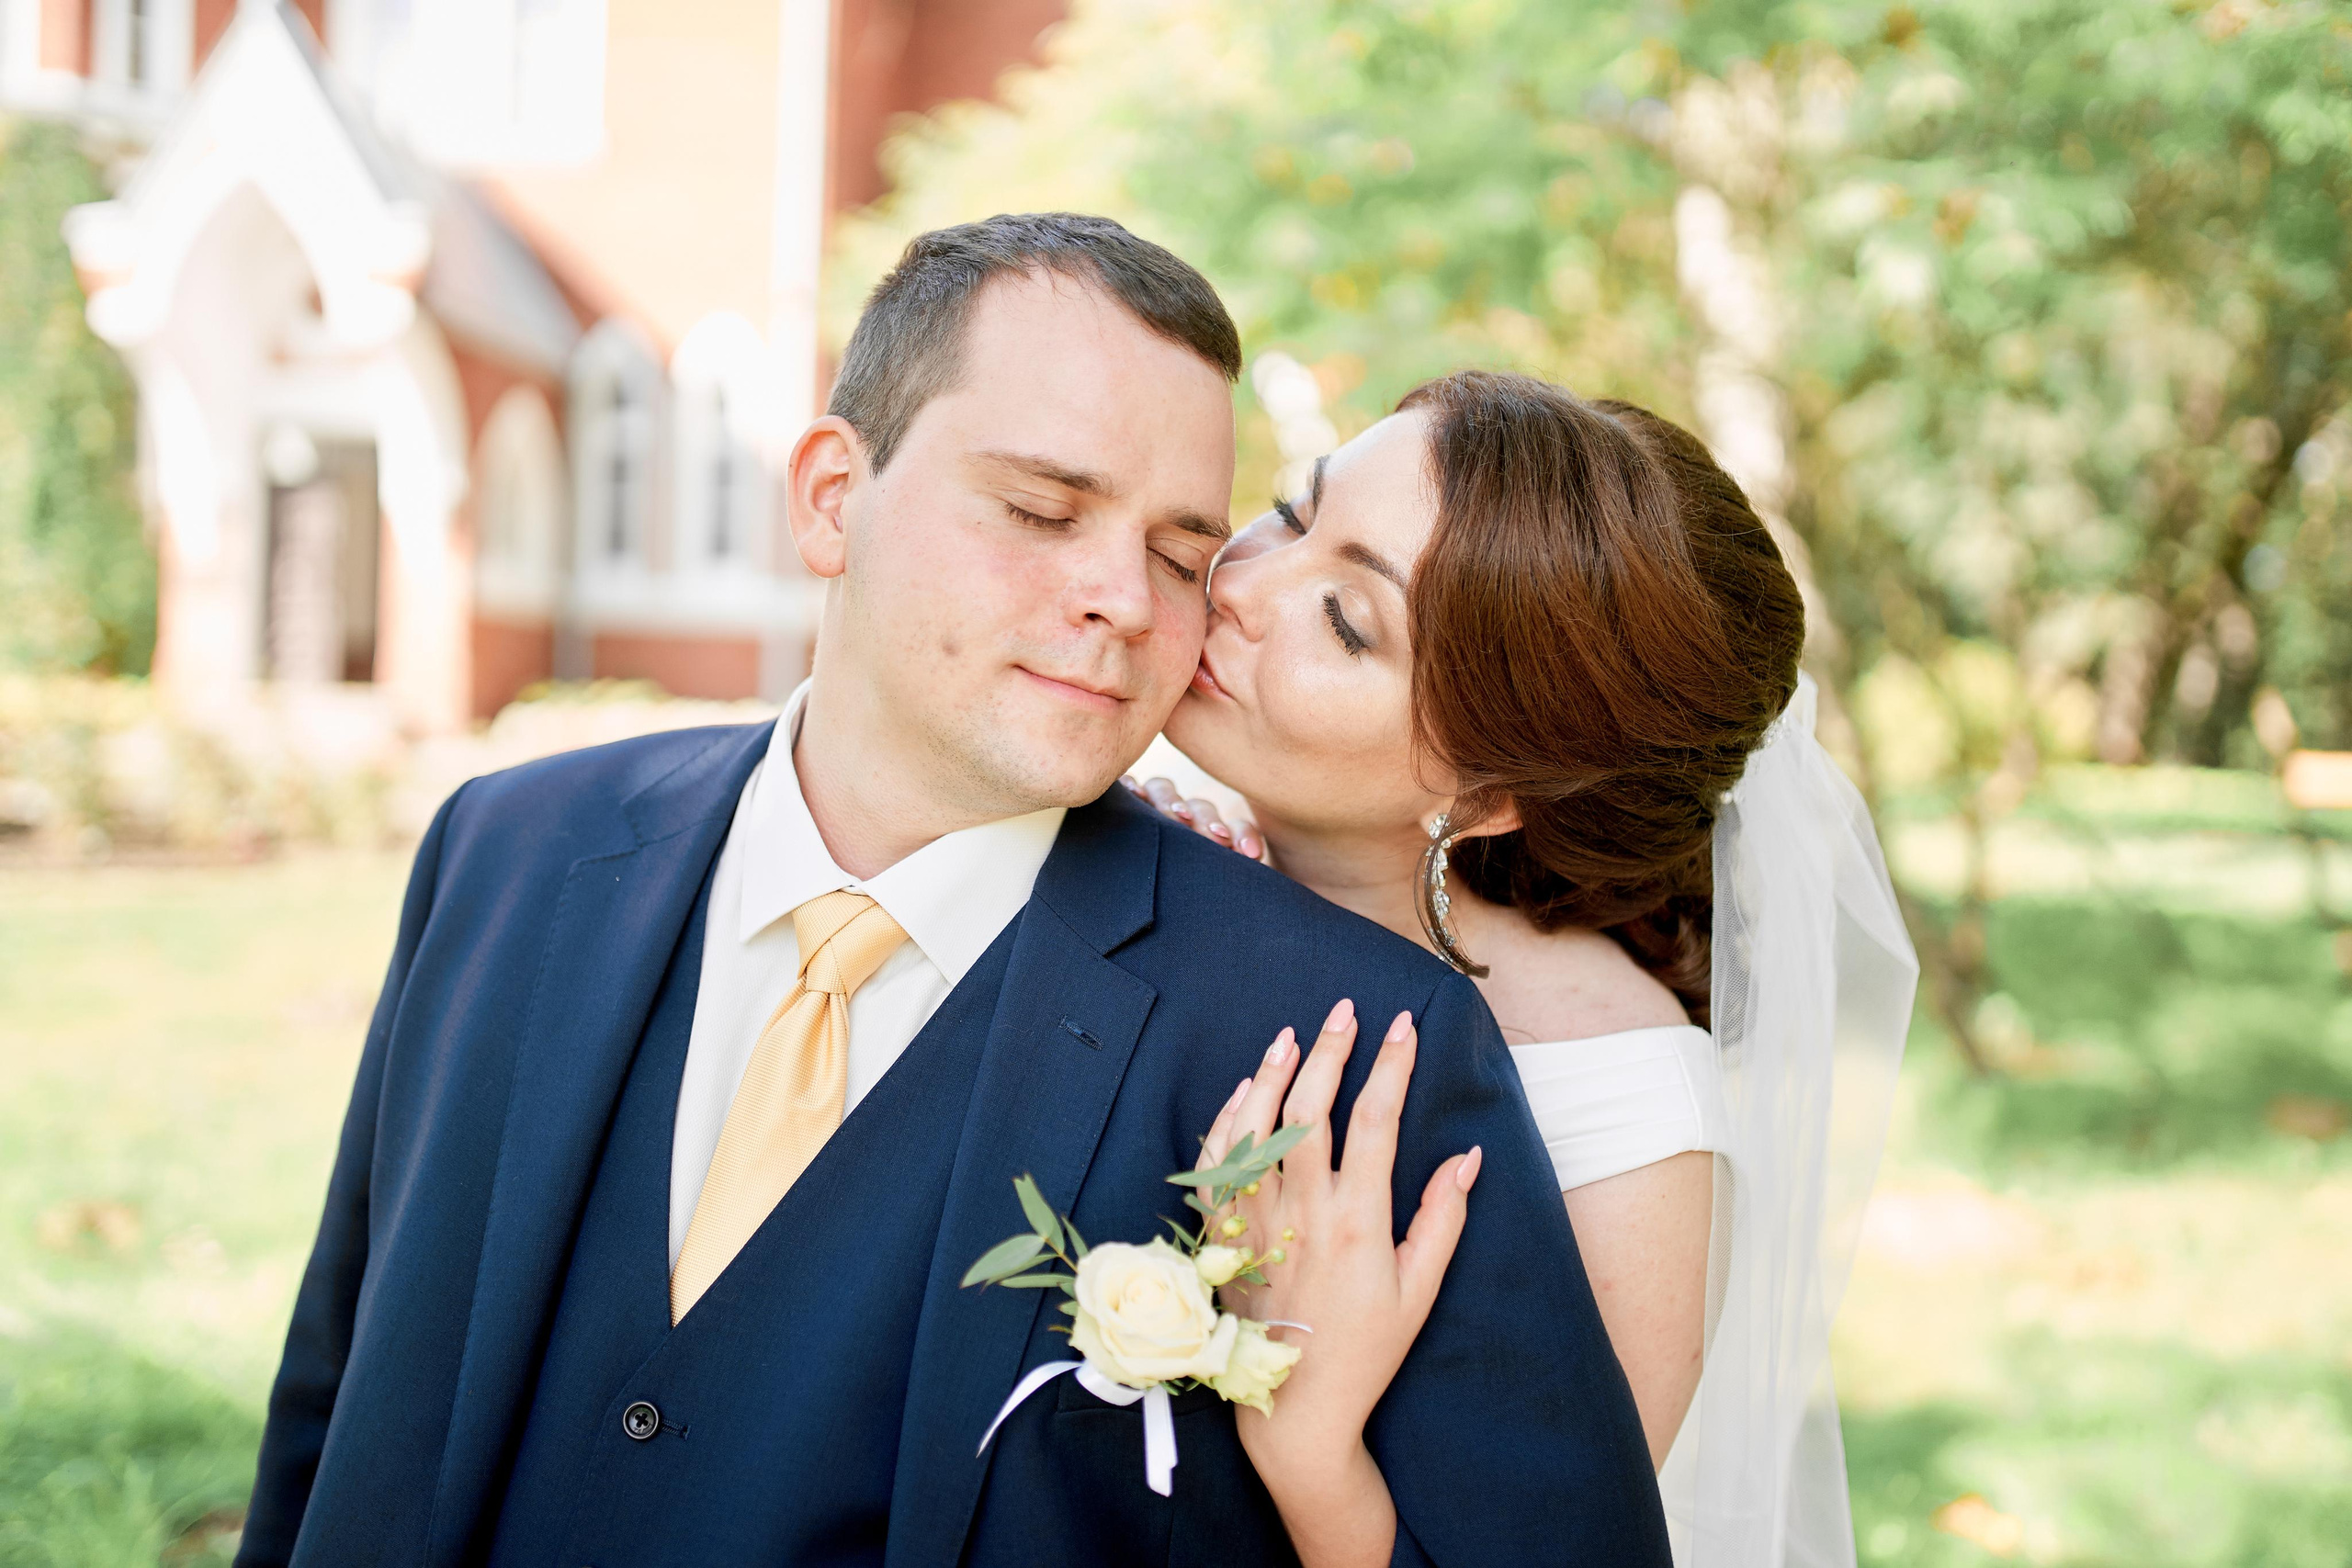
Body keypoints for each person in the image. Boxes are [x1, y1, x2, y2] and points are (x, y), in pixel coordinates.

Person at [233, 219, 1669, 1568]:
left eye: (1182, 550)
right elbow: (337, 1404)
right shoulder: (509, 849)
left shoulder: (1351, 1049)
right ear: (831, 498)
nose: (1130, 597)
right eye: (1044, 510)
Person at [1132, 370, 1918, 1567]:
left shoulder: (1625, 1130)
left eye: (1349, 621)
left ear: (1489, 795)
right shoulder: (1132, 851)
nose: (1239, 590)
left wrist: (1313, 1445)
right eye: (1291, 513)